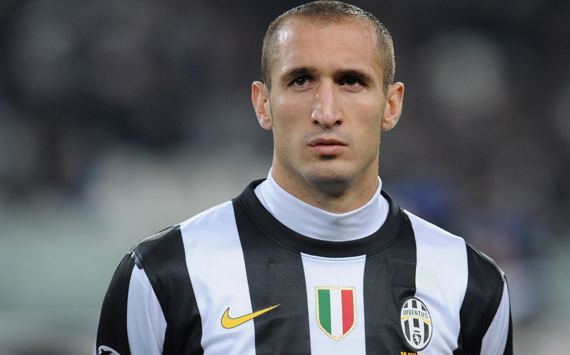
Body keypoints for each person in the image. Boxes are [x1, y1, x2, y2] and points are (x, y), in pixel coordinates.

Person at [95, 1, 513, 354]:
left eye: (351, 81)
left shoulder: (470, 284)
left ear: (391, 104)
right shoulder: (163, 275)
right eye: (300, 80)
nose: (326, 111)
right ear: (262, 104)